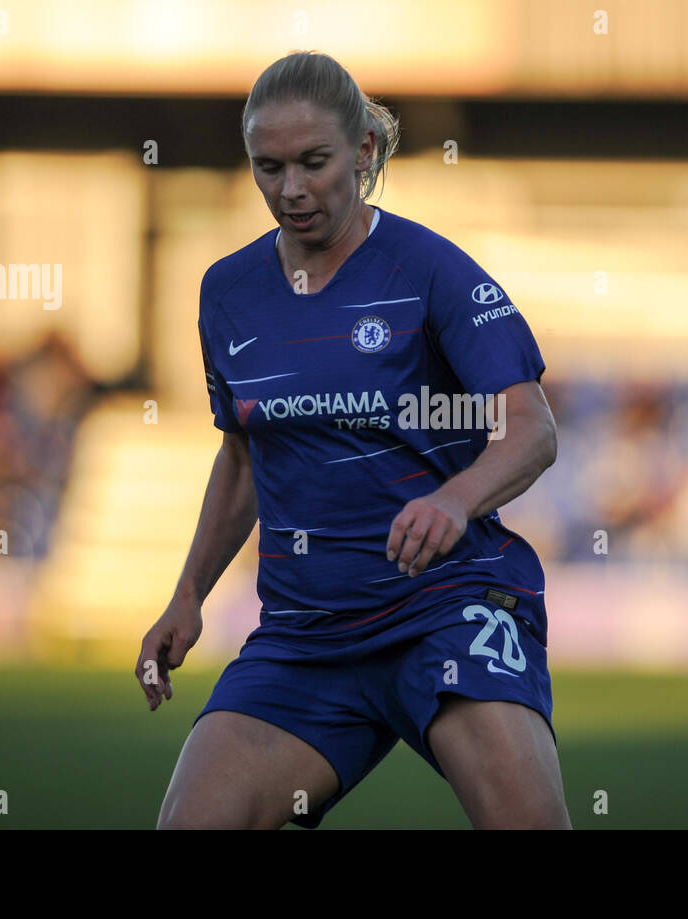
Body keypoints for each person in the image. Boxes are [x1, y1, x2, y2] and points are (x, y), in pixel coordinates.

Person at [136, 50, 569, 830]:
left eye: (313, 162)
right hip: (305, 637)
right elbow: (242, 454)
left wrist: (455, 498)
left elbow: (532, 426)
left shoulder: (431, 268)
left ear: (363, 152)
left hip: (445, 606)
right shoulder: (225, 293)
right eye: (268, 167)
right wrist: (189, 594)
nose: (291, 189)